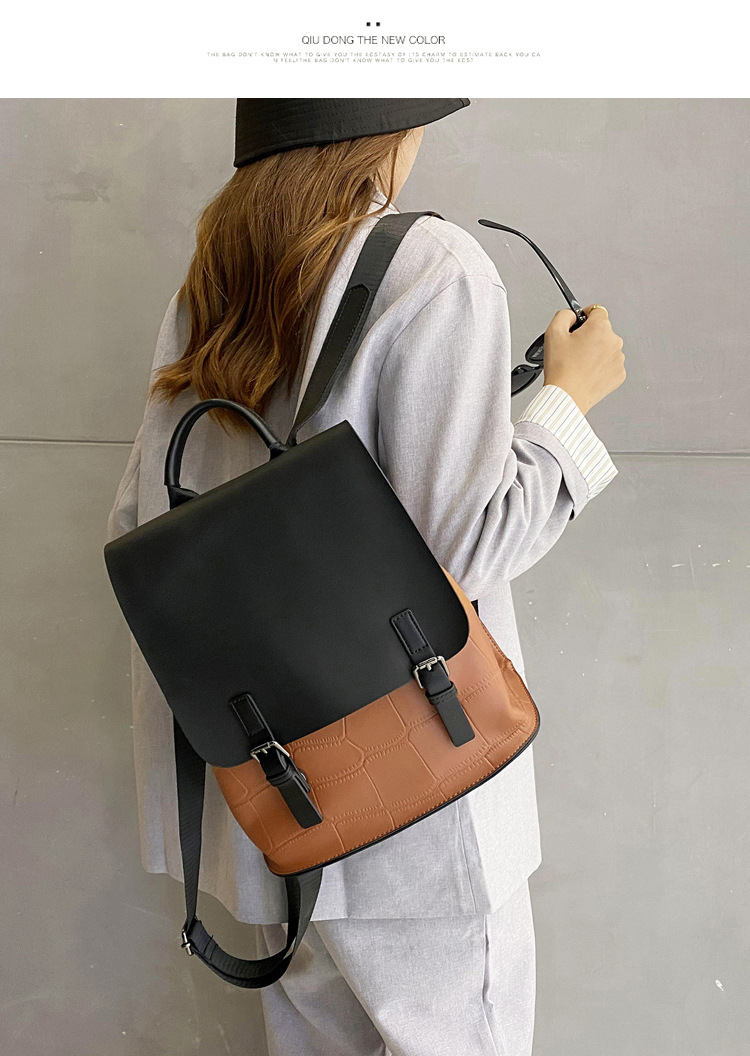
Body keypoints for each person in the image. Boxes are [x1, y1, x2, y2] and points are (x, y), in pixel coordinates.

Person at [106, 98, 625, 1056]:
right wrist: (568, 399)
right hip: (418, 811)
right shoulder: (435, 268)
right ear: (389, 134)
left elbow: (141, 525)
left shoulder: (212, 283)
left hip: (276, 811)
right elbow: (462, 550)